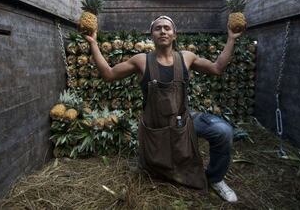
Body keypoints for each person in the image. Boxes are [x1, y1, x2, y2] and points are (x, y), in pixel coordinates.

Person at [84, 15, 243, 202]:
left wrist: (231, 38)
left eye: (167, 28)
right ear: (151, 35)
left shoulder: (186, 58)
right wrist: (93, 43)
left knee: (223, 131)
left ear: (174, 34)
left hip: (183, 120)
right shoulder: (141, 60)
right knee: (155, 169)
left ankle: (216, 179)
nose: (163, 31)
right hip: (156, 125)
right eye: (158, 28)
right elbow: (109, 74)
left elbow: (216, 68)